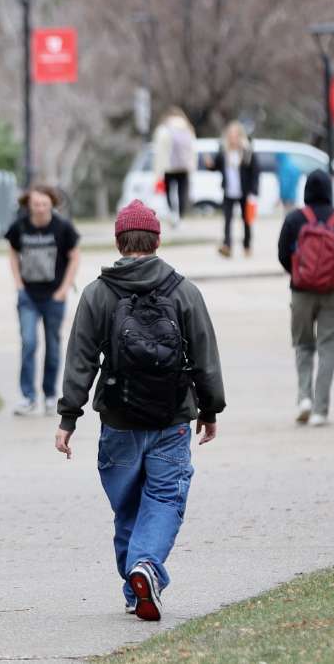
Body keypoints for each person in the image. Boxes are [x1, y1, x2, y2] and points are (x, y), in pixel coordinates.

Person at [54, 199, 226, 621]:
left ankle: (135, 586)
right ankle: (145, 569)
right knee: (165, 499)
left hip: (119, 420)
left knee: (127, 507)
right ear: (157, 240)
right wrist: (210, 409)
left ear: (118, 240)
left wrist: (68, 418)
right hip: (172, 419)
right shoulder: (183, 291)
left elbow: (80, 359)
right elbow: (204, 354)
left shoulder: (98, 294)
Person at [277, 170, 334, 426]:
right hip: (333, 293)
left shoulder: (294, 219)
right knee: (328, 347)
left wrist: (299, 274)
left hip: (300, 292)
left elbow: (282, 254)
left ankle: (304, 399)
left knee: (303, 345)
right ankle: (320, 409)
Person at [5, 185, 81, 416]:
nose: (39, 209)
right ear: (29, 205)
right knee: (28, 343)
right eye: (35, 204)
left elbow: (75, 257)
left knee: (53, 346)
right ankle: (28, 397)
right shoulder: (20, 227)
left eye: (44, 204)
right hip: (28, 296)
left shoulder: (63, 228)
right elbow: (12, 252)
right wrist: (18, 285)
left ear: (52, 204)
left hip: (54, 297)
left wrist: (64, 289)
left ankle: (49, 395)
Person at [205, 121, 258, 257]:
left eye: (235, 135)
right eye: (230, 135)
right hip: (229, 190)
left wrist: (254, 191)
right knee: (227, 220)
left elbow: (255, 172)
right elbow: (215, 166)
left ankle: (247, 245)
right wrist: (209, 164)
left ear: (240, 136)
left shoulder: (247, 151)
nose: (233, 138)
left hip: (244, 191)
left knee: (246, 220)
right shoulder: (224, 151)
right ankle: (227, 246)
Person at [151, 107, 197, 220]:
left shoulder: (163, 129)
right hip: (184, 167)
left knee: (169, 193)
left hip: (169, 167)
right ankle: (180, 216)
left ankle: (172, 213)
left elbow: (159, 152)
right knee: (182, 193)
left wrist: (158, 171)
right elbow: (193, 149)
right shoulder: (187, 128)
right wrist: (192, 166)